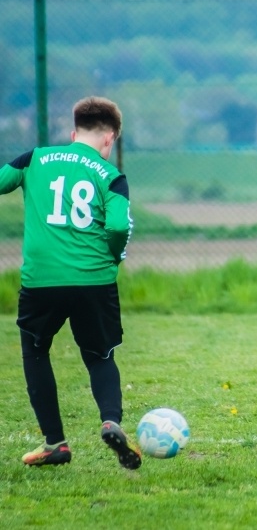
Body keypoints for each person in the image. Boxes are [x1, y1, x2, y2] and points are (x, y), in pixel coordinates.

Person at [0, 96, 141, 469]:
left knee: (35, 351)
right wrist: (113, 255)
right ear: (110, 138)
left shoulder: (34, 158)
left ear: (74, 131)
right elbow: (116, 226)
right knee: (100, 356)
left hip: (41, 280)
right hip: (93, 279)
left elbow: (0, 182)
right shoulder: (111, 176)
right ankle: (110, 420)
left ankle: (55, 444)